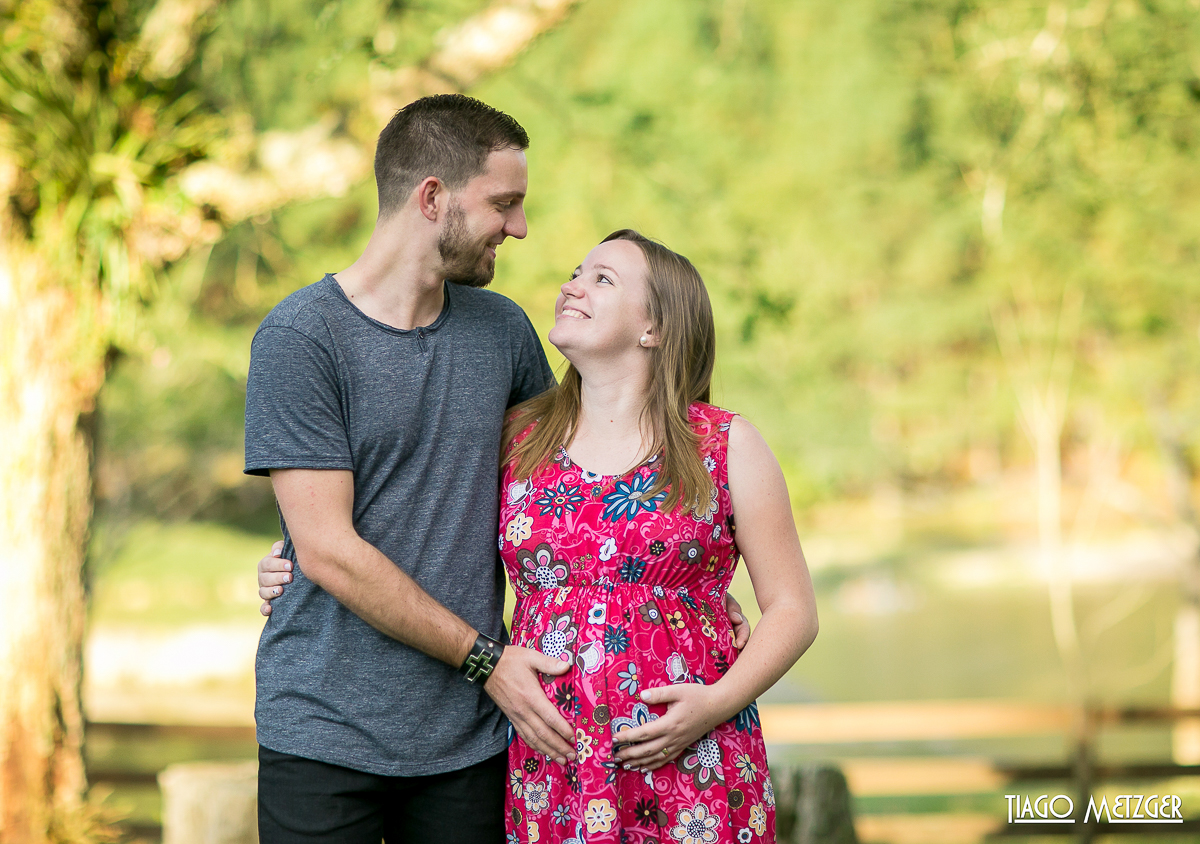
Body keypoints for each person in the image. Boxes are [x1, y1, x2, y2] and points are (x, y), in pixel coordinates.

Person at [245, 94, 751, 843]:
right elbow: (329, 549)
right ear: (432, 198)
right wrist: (485, 658)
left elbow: (571, 490)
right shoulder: (300, 338)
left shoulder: (502, 331)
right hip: (325, 730)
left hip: (471, 739)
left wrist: (689, 582)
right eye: (504, 204)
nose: (519, 227)